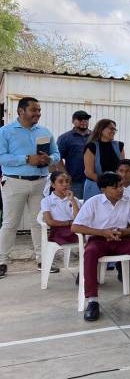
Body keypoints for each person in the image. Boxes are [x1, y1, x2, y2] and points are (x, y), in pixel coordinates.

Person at [71, 172, 130, 321]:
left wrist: (125, 231)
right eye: (116, 187)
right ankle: (92, 301)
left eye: (121, 186)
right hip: (99, 240)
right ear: (103, 189)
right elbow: (75, 227)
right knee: (89, 253)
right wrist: (102, 232)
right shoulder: (93, 202)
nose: (121, 189)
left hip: (122, 239)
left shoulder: (128, 202)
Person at [0, 97, 61, 279]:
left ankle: (43, 260)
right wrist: (27, 159)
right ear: (21, 111)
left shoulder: (45, 131)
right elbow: (2, 157)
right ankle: (2, 261)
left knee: (39, 222)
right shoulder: (5, 131)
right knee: (10, 223)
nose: (38, 114)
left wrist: (49, 159)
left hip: (40, 182)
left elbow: (57, 154)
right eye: (34, 110)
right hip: (14, 182)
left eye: (39, 110)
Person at [83, 119, 125, 201]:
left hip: (114, 188)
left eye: (114, 129)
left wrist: (114, 186)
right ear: (101, 129)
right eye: (111, 128)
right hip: (95, 187)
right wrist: (106, 185)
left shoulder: (119, 145)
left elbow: (122, 168)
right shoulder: (91, 146)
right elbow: (89, 172)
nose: (113, 131)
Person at [55, 110, 91, 199]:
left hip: (92, 181)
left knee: (92, 209)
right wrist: (65, 175)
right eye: (80, 119)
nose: (84, 121)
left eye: (86, 119)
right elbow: (57, 158)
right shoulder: (65, 138)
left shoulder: (95, 136)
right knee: (74, 207)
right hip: (74, 181)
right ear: (73, 121)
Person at [41, 171, 80, 248]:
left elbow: (79, 219)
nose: (65, 184)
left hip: (74, 229)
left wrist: (72, 201)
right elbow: (50, 222)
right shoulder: (46, 200)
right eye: (61, 182)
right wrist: (69, 223)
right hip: (58, 230)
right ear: (53, 185)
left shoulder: (74, 199)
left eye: (67, 181)